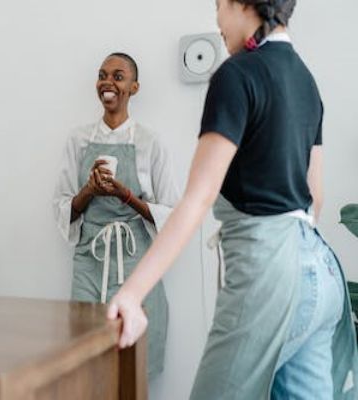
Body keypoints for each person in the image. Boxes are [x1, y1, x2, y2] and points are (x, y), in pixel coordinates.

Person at [108, 1, 358, 398]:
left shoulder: (237, 74)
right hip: (321, 274)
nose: (217, 19)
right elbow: (315, 197)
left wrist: (132, 294)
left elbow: (198, 198)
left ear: (243, 3)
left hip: (268, 273)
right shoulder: (305, 80)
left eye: (219, 5)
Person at [53, 53, 180, 378]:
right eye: (102, 75)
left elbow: (173, 216)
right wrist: (89, 191)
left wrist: (126, 196)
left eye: (118, 76)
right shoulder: (78, 140)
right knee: (85, 359)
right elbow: (62, 207)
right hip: (89, 264)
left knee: (133, 367)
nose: (107, 82)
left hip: (137, 264)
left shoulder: (150, 142)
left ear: (134, 87)